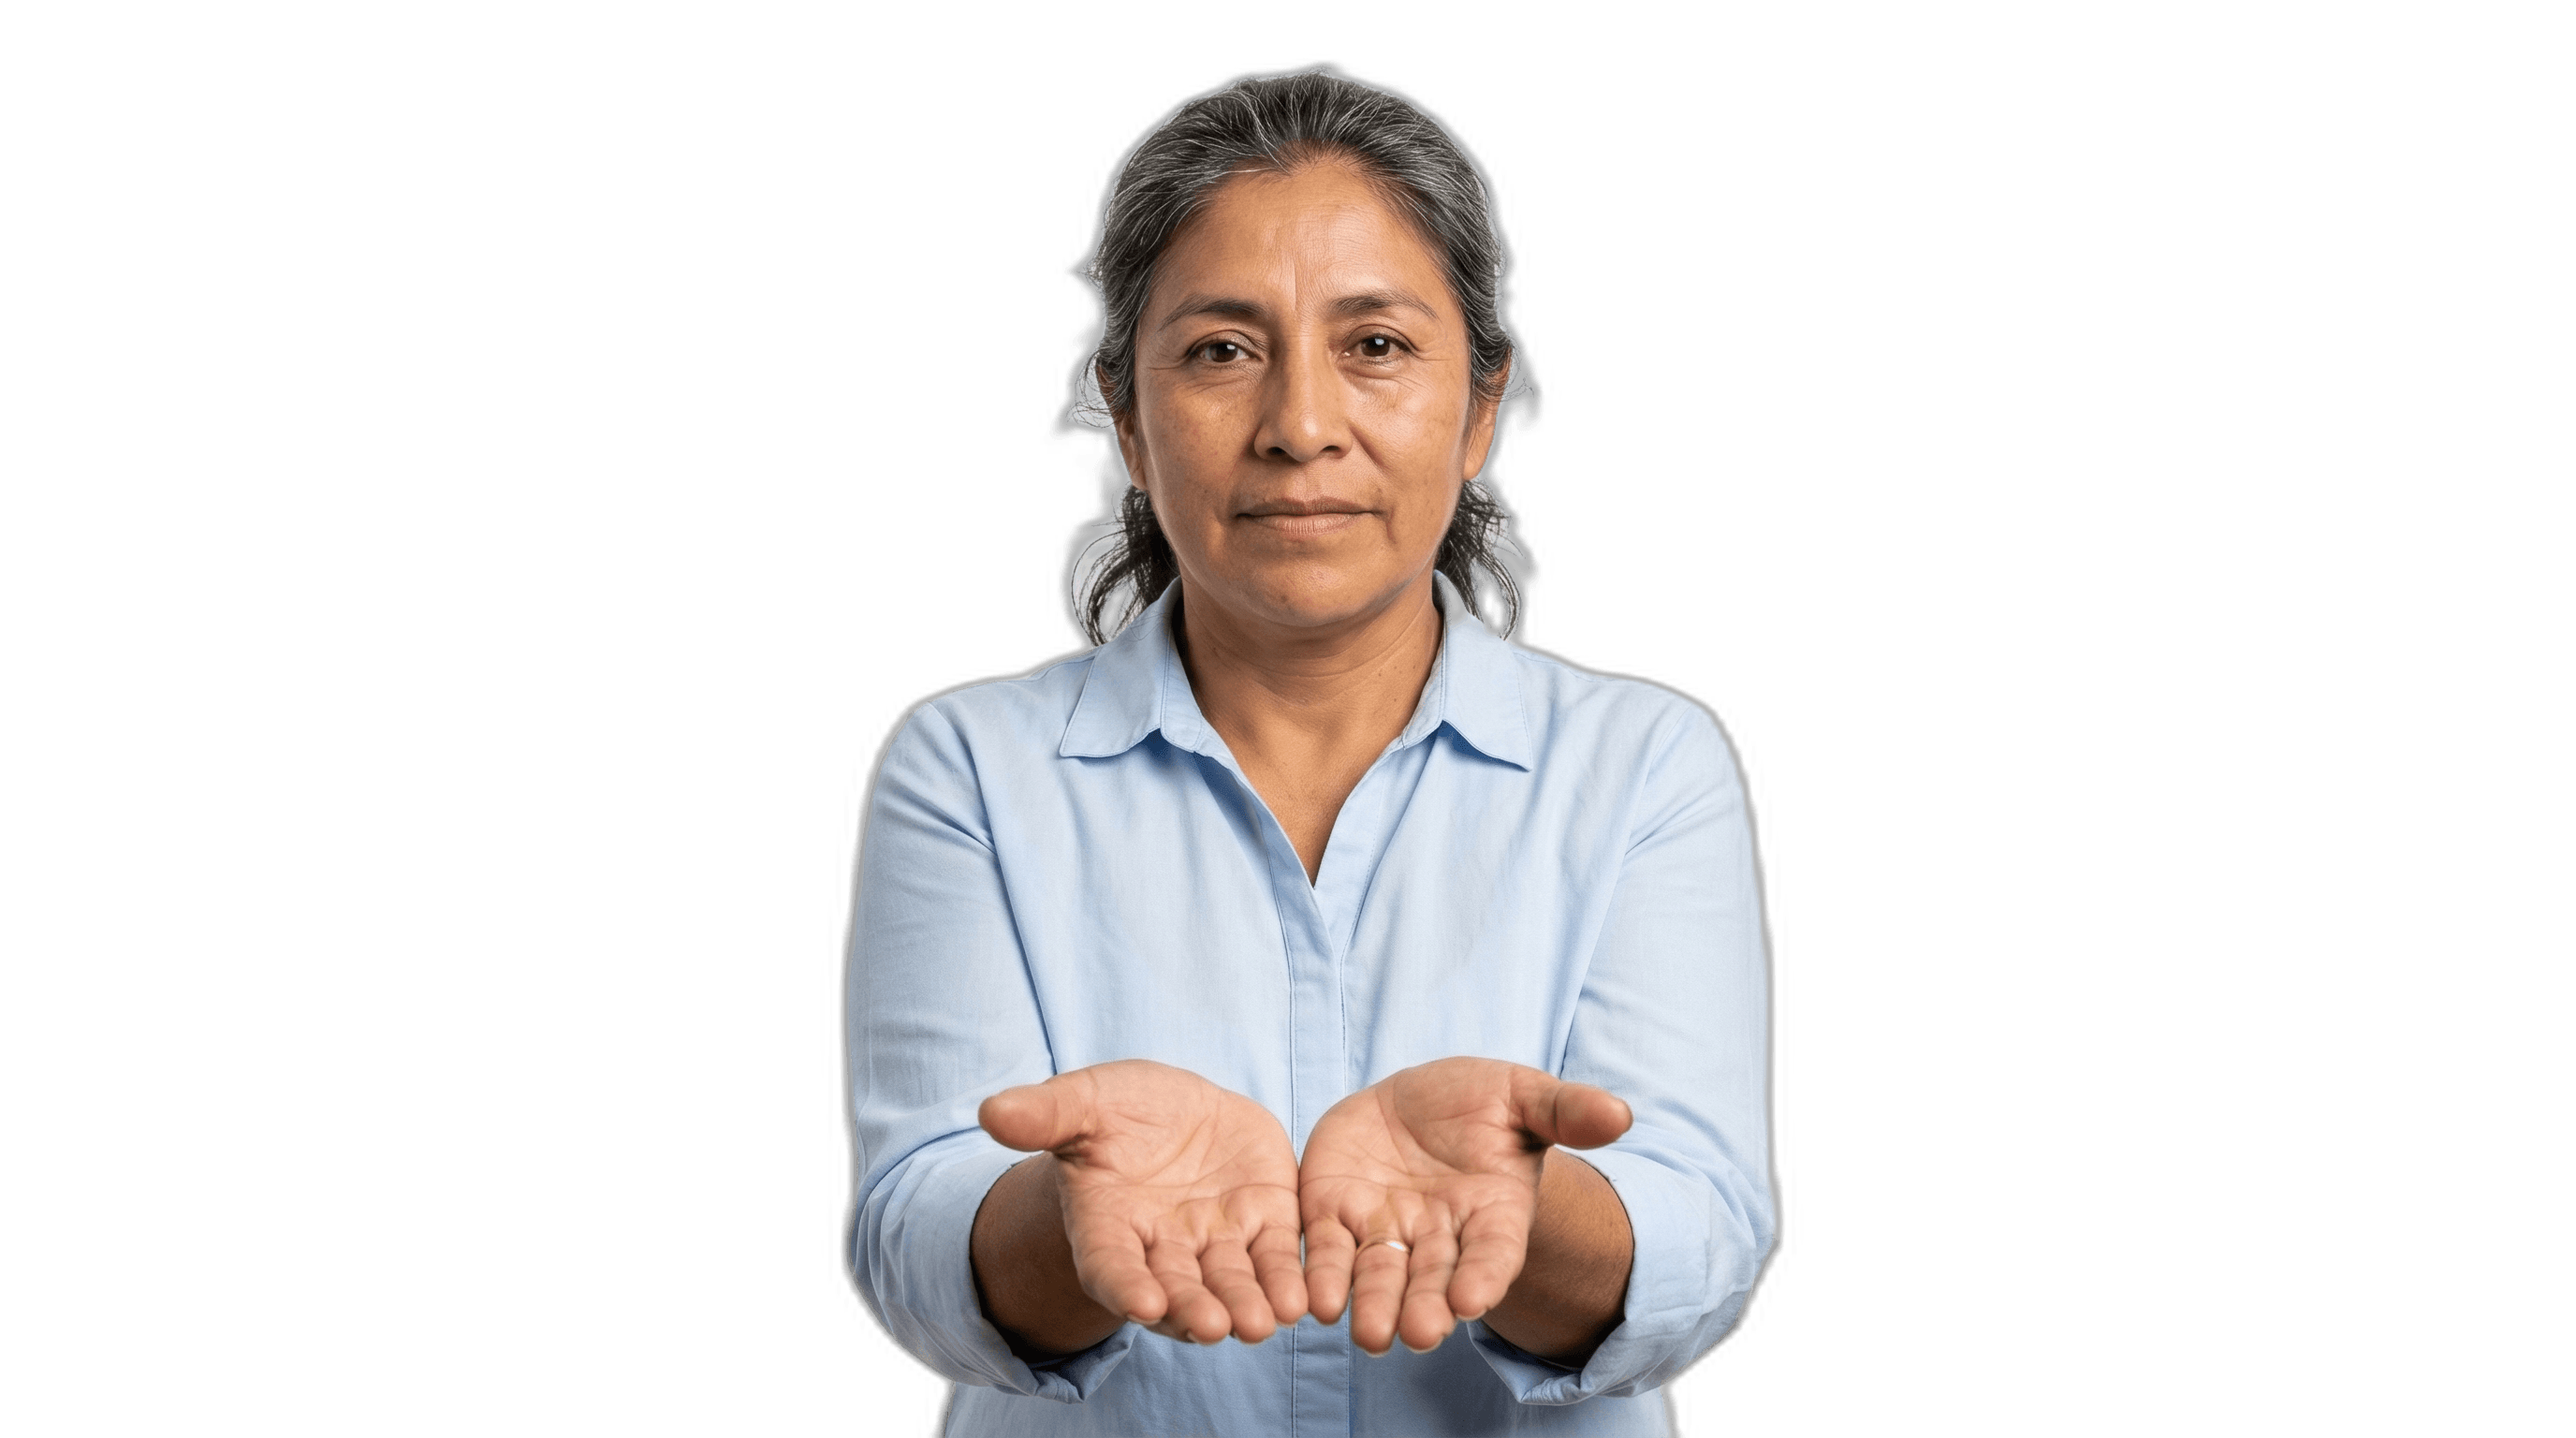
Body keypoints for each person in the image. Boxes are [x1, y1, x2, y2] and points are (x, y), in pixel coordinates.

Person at [840, 62, 1782, 1436]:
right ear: (1129, 414)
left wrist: (1523, 1210)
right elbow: (911, 1238)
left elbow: (1702, 1240)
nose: (1298, 427)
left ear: (1479, 411)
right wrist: (1067, 1221)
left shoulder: (1646, 764)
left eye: (1377, 346)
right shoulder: (967, 766)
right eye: (1221, 349)